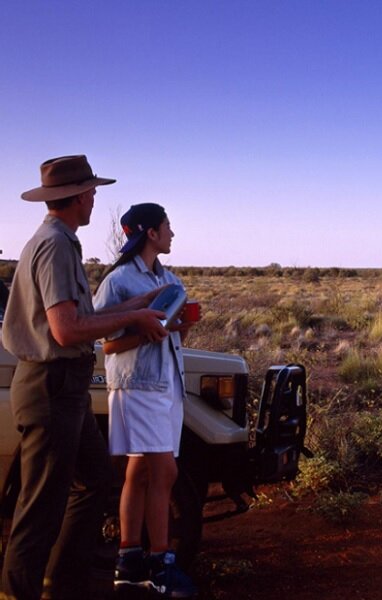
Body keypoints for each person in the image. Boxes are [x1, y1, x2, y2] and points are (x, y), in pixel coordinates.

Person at [1, 155, 169, 600]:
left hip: (67, 389)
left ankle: (61, 582)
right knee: (39, 510)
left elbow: (82, 317)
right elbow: (65, 330)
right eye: (92, 191)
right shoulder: (55, 245)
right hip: (51, 387)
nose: (95, 198)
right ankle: (19, 592)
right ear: (77, 196)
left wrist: (141, 304)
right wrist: (133, 315)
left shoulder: (63, 241)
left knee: (93, 479)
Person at [93, 203, 198, 598]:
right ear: (150, 232)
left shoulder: (169, 279)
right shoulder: (119, 282)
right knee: (165, 473)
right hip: (137, 386)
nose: (172, 232)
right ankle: (160, 565)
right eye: (167, 226)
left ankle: (129, 562)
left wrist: (180, 328)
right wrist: (144, 334)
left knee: (139, 472)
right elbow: (106, 344)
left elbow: (171, 336)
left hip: (167, 381)